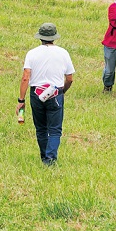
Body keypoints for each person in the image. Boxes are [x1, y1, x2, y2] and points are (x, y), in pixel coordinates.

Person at [18, 23, 75, 166]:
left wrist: (21, 100)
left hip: (36, 93)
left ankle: (44, 155)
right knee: (55, 129)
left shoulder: (32, 53)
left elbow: (26, 77)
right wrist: (62, 92)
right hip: (55, 93)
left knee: (41, 128)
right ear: (54, 37)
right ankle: (50, 159)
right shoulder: (63, 53)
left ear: (40, 37)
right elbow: (69, 78)